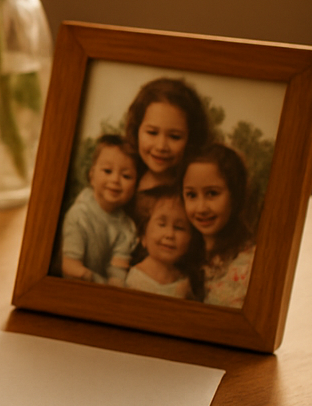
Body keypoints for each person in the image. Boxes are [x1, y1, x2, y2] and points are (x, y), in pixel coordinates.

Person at [183, 143, 255, 308]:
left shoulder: (247, 264)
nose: (201, 208)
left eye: (212, 193)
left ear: (234, 194)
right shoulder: (184, 252)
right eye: (191, 195)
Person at [60, 134, 138, 285]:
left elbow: (117, 272)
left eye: (126, 176)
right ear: (92, 176)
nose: (115, 180)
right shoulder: (79, 215)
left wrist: (114, 290)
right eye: (107, 171)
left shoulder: (127, 227)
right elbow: (69, 266)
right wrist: (99, 282)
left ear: (135, 186)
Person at [123, 77, 210, 192]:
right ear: (136, 130)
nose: (161, 146)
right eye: (152, 133)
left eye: (174, 136)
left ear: (191, 139)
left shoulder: (192, 190)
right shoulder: (124, 180)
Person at [125, 184, 203, 300]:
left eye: (179, 227)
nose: (169, 235)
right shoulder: (132, 278)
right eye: (162, 225)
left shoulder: (184, 283)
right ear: (143, 236)